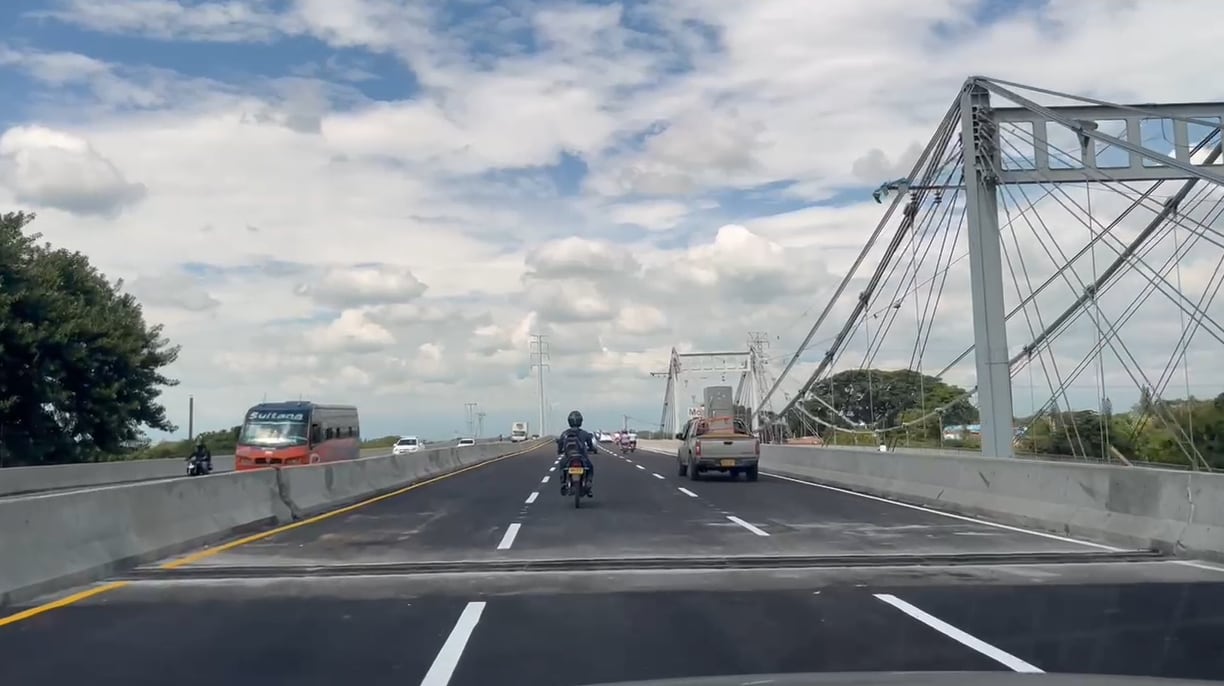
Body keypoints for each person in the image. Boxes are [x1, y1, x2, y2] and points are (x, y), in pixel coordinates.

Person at [556, 409, 596, 496]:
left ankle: (563, 482)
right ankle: (588, 483)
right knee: (590, 468)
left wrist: (559, 451)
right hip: (582, 457)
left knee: (562, 466)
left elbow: (560, 444)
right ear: (580, 421)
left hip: (569, 457)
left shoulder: (565, 433)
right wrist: (592, 449)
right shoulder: (584, 433)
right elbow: (590, 445)